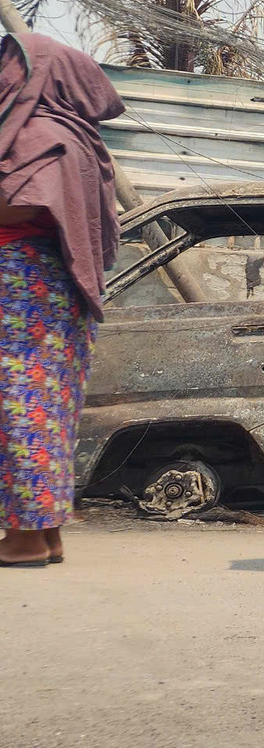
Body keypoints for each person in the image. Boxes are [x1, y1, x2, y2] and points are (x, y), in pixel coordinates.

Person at [0, 32, 123, 567]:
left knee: (19, 404)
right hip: (57, 292)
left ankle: (26, 536)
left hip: (22, 282)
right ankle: (45, 533)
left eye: (8, 64)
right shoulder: (79, 139)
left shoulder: (38, 137)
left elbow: (23, 207)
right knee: (47, 408)